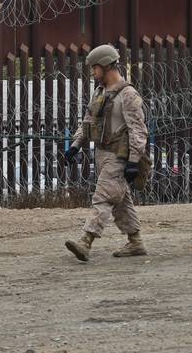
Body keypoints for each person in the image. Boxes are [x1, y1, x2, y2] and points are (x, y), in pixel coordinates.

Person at [63, 44, 150, 262]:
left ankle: (86, 240)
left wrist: (133, 161)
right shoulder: (100, 92)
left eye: (95, 68)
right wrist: (75, 145)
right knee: (120, 201)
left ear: (106, 66)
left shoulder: (128, 95)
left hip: (119, 158)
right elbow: (88, 122)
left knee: (102, 197)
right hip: (102, 154)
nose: (93, 73)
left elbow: (138, 131)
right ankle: (136, 242)